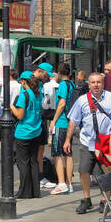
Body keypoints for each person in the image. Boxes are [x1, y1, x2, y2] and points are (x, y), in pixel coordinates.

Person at [65, 72, 111, 214]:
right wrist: (67, 140)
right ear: (89, 85)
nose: (96, 85)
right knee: (83, 170)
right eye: (93, 82)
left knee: (105, 173)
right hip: (87, 141)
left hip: (106, 142)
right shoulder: (82, 100)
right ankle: (86, 199)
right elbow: (73, 121)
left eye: (99, 82)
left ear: (103, 84)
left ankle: (103, 200)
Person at [10, 71, 43, 199]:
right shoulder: (38, 94)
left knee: (22, 163)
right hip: (36, 131)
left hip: (23, 133)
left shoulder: (25, 95)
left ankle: (24, 191)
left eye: (21, 82)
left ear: (24, 81)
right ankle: (35, 191)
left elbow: (19, 115)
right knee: (33, 162)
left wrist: (11, 106)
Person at [46, 64, 76, 194]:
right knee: (68, 153)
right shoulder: (72, 85)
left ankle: (62, 183)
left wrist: (53, 121)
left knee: (56, 154)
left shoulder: (63, 85)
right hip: (70, 122)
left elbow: (62, 103)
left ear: (58, 73)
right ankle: (69, 183)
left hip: (61, 122)